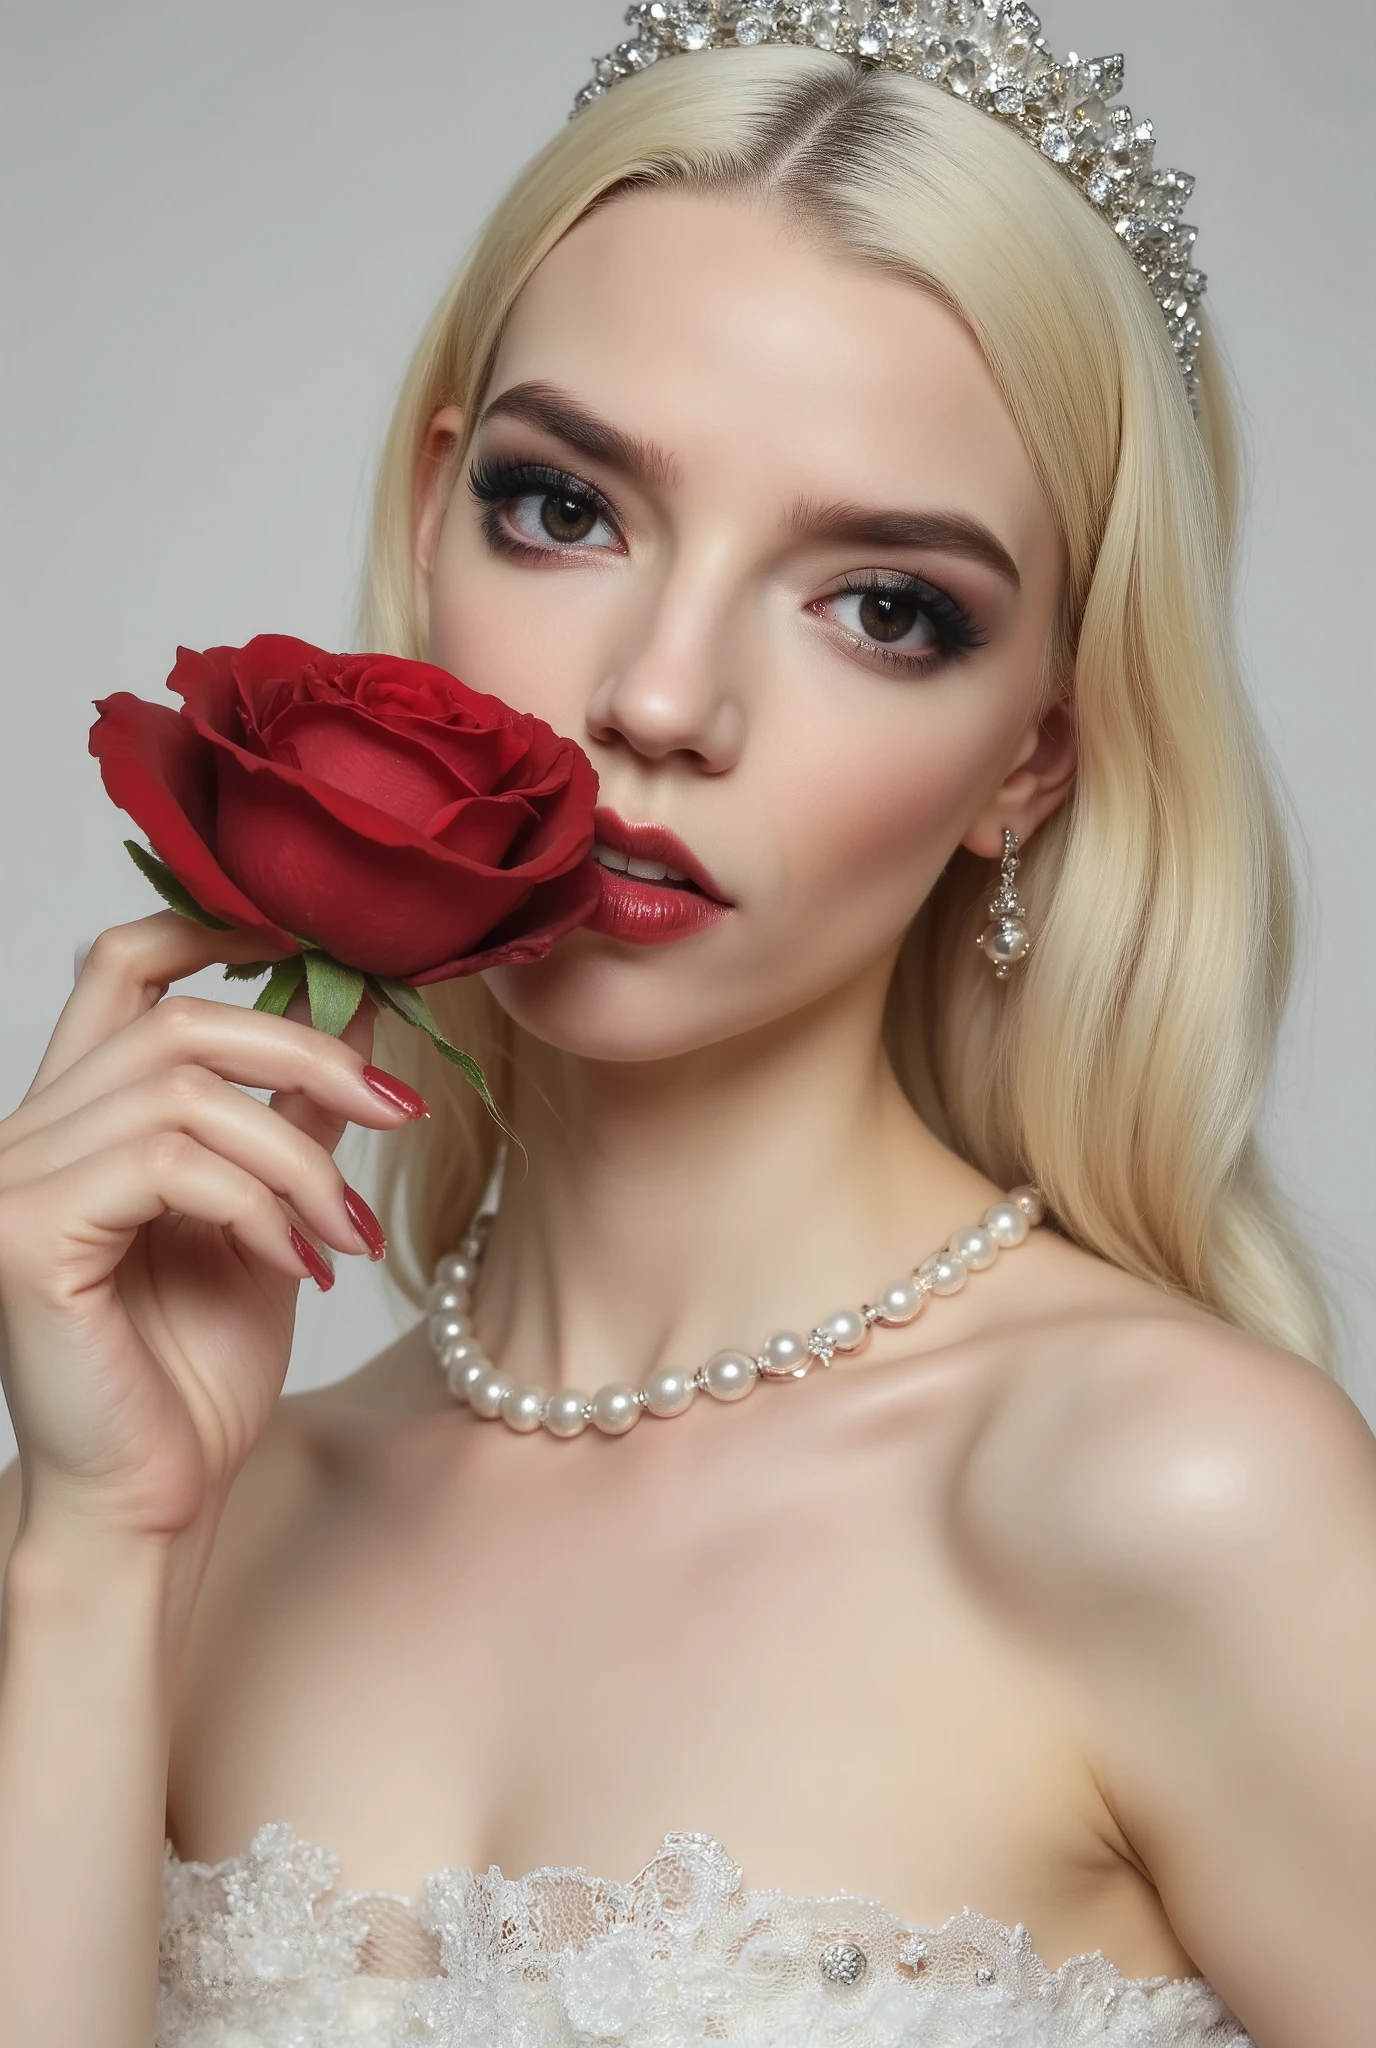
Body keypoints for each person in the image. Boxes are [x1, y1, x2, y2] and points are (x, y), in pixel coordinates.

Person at [1, 9, 1372, 2045]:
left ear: (1033, 758)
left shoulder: (1170, 1493)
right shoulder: (213, 1511)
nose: (657, 695)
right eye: (570, 509)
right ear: (436, 508)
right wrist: (90, 1552)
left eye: (886, 604)